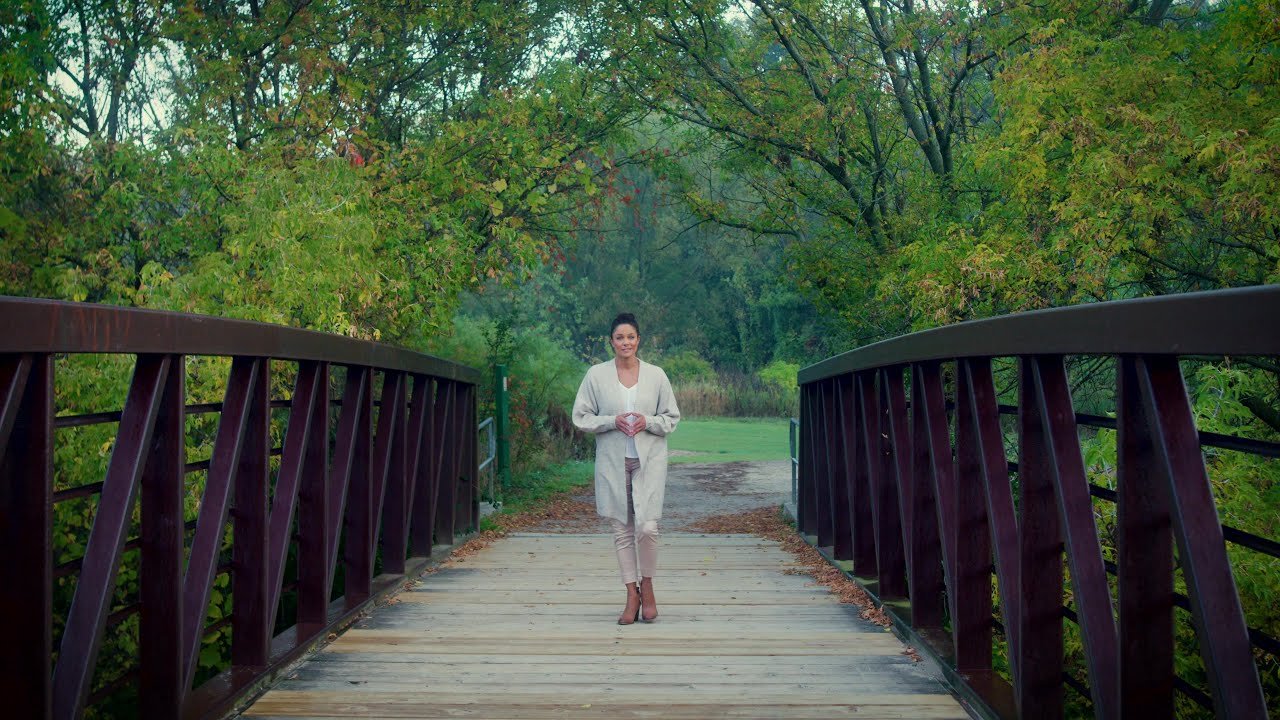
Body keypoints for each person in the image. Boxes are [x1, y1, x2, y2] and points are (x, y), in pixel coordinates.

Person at [572, 313, 681, 624]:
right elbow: (581, 416)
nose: (625, 343)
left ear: (639, 340)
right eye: (619, 338)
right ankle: (630, 594)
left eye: (631, 337)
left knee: (648, 527)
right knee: (621, 527)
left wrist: (648, 421)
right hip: (612, 460)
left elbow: (671, 417)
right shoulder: (595, 376)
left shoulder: (657, 375)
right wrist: (611, 421)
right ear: (611, 342)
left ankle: (647, 586)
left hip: (649, 460)